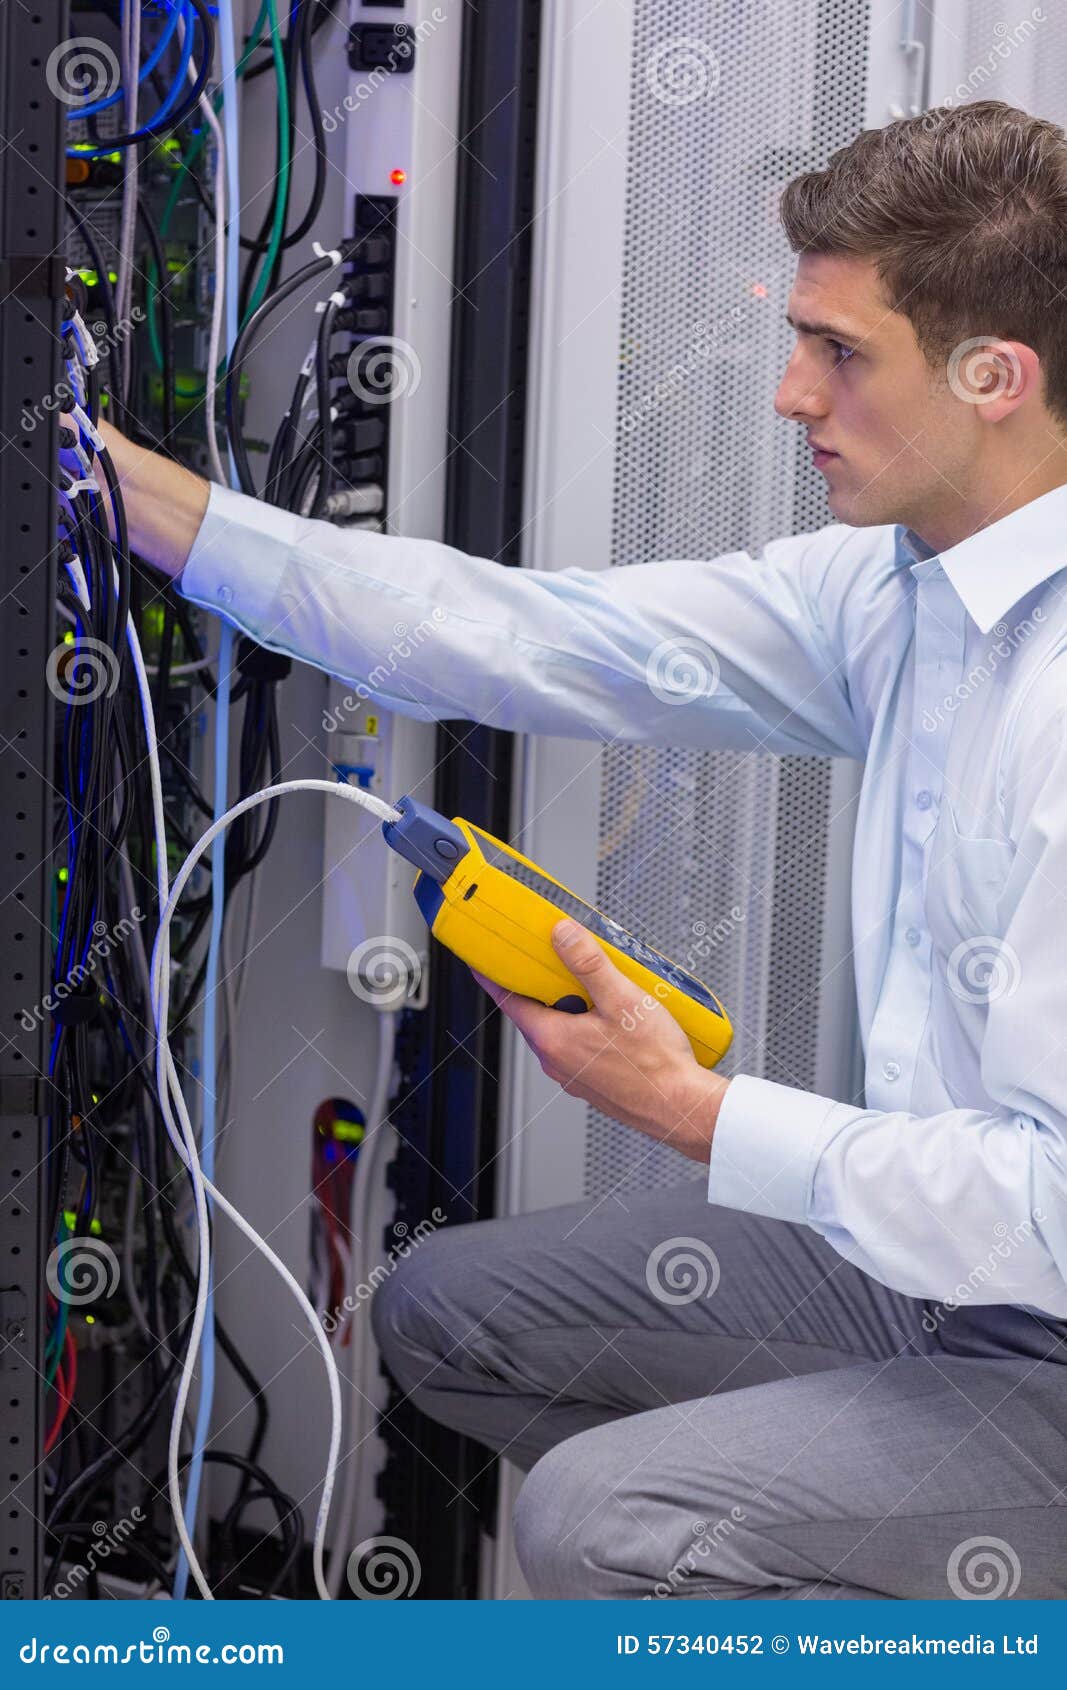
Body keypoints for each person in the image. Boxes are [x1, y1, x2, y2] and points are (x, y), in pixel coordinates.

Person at [102, 99, 1067, 1599]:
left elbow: (1053, 1210)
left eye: (839, 352)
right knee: (443, 1313)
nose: (788, 396)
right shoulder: (895, 590)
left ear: (995, 377)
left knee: (603, 1518)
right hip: (925, 1279)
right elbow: (532, 635)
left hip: (1050, 1324)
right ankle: (839, 1533)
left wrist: (702, 1116)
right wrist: (141, 501)